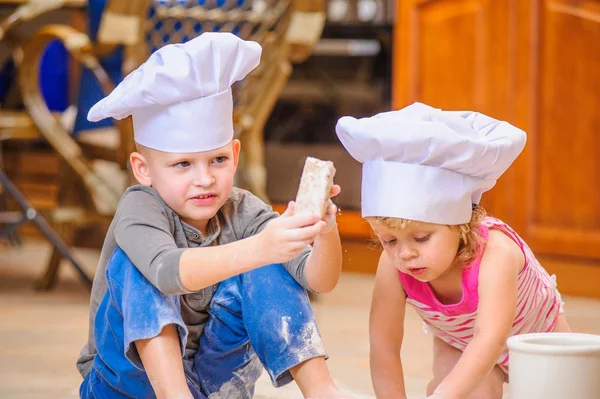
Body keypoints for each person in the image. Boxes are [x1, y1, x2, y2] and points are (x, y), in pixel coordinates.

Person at [77, 32, 354, 399]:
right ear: (143, 169)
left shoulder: (244, 210)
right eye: (183, 164)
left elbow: (319, 280)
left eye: (218, 160)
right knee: (136, 265)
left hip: (213, 382)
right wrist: (263, 247)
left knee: (269, 264)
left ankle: (322, 392)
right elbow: (165, 270)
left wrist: (324, 231)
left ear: (235, 155)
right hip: (125, 385)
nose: (204, 178)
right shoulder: (139, 207)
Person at [335, 102, 570, 399]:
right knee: (471, 392)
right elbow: (384, 344)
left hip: (537, 334)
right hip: (459, 340)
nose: (405, 254)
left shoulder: (496, 253)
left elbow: (490, 339)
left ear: (461, 224)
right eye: (389, 240)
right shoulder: (392, 266)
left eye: (421, 237)